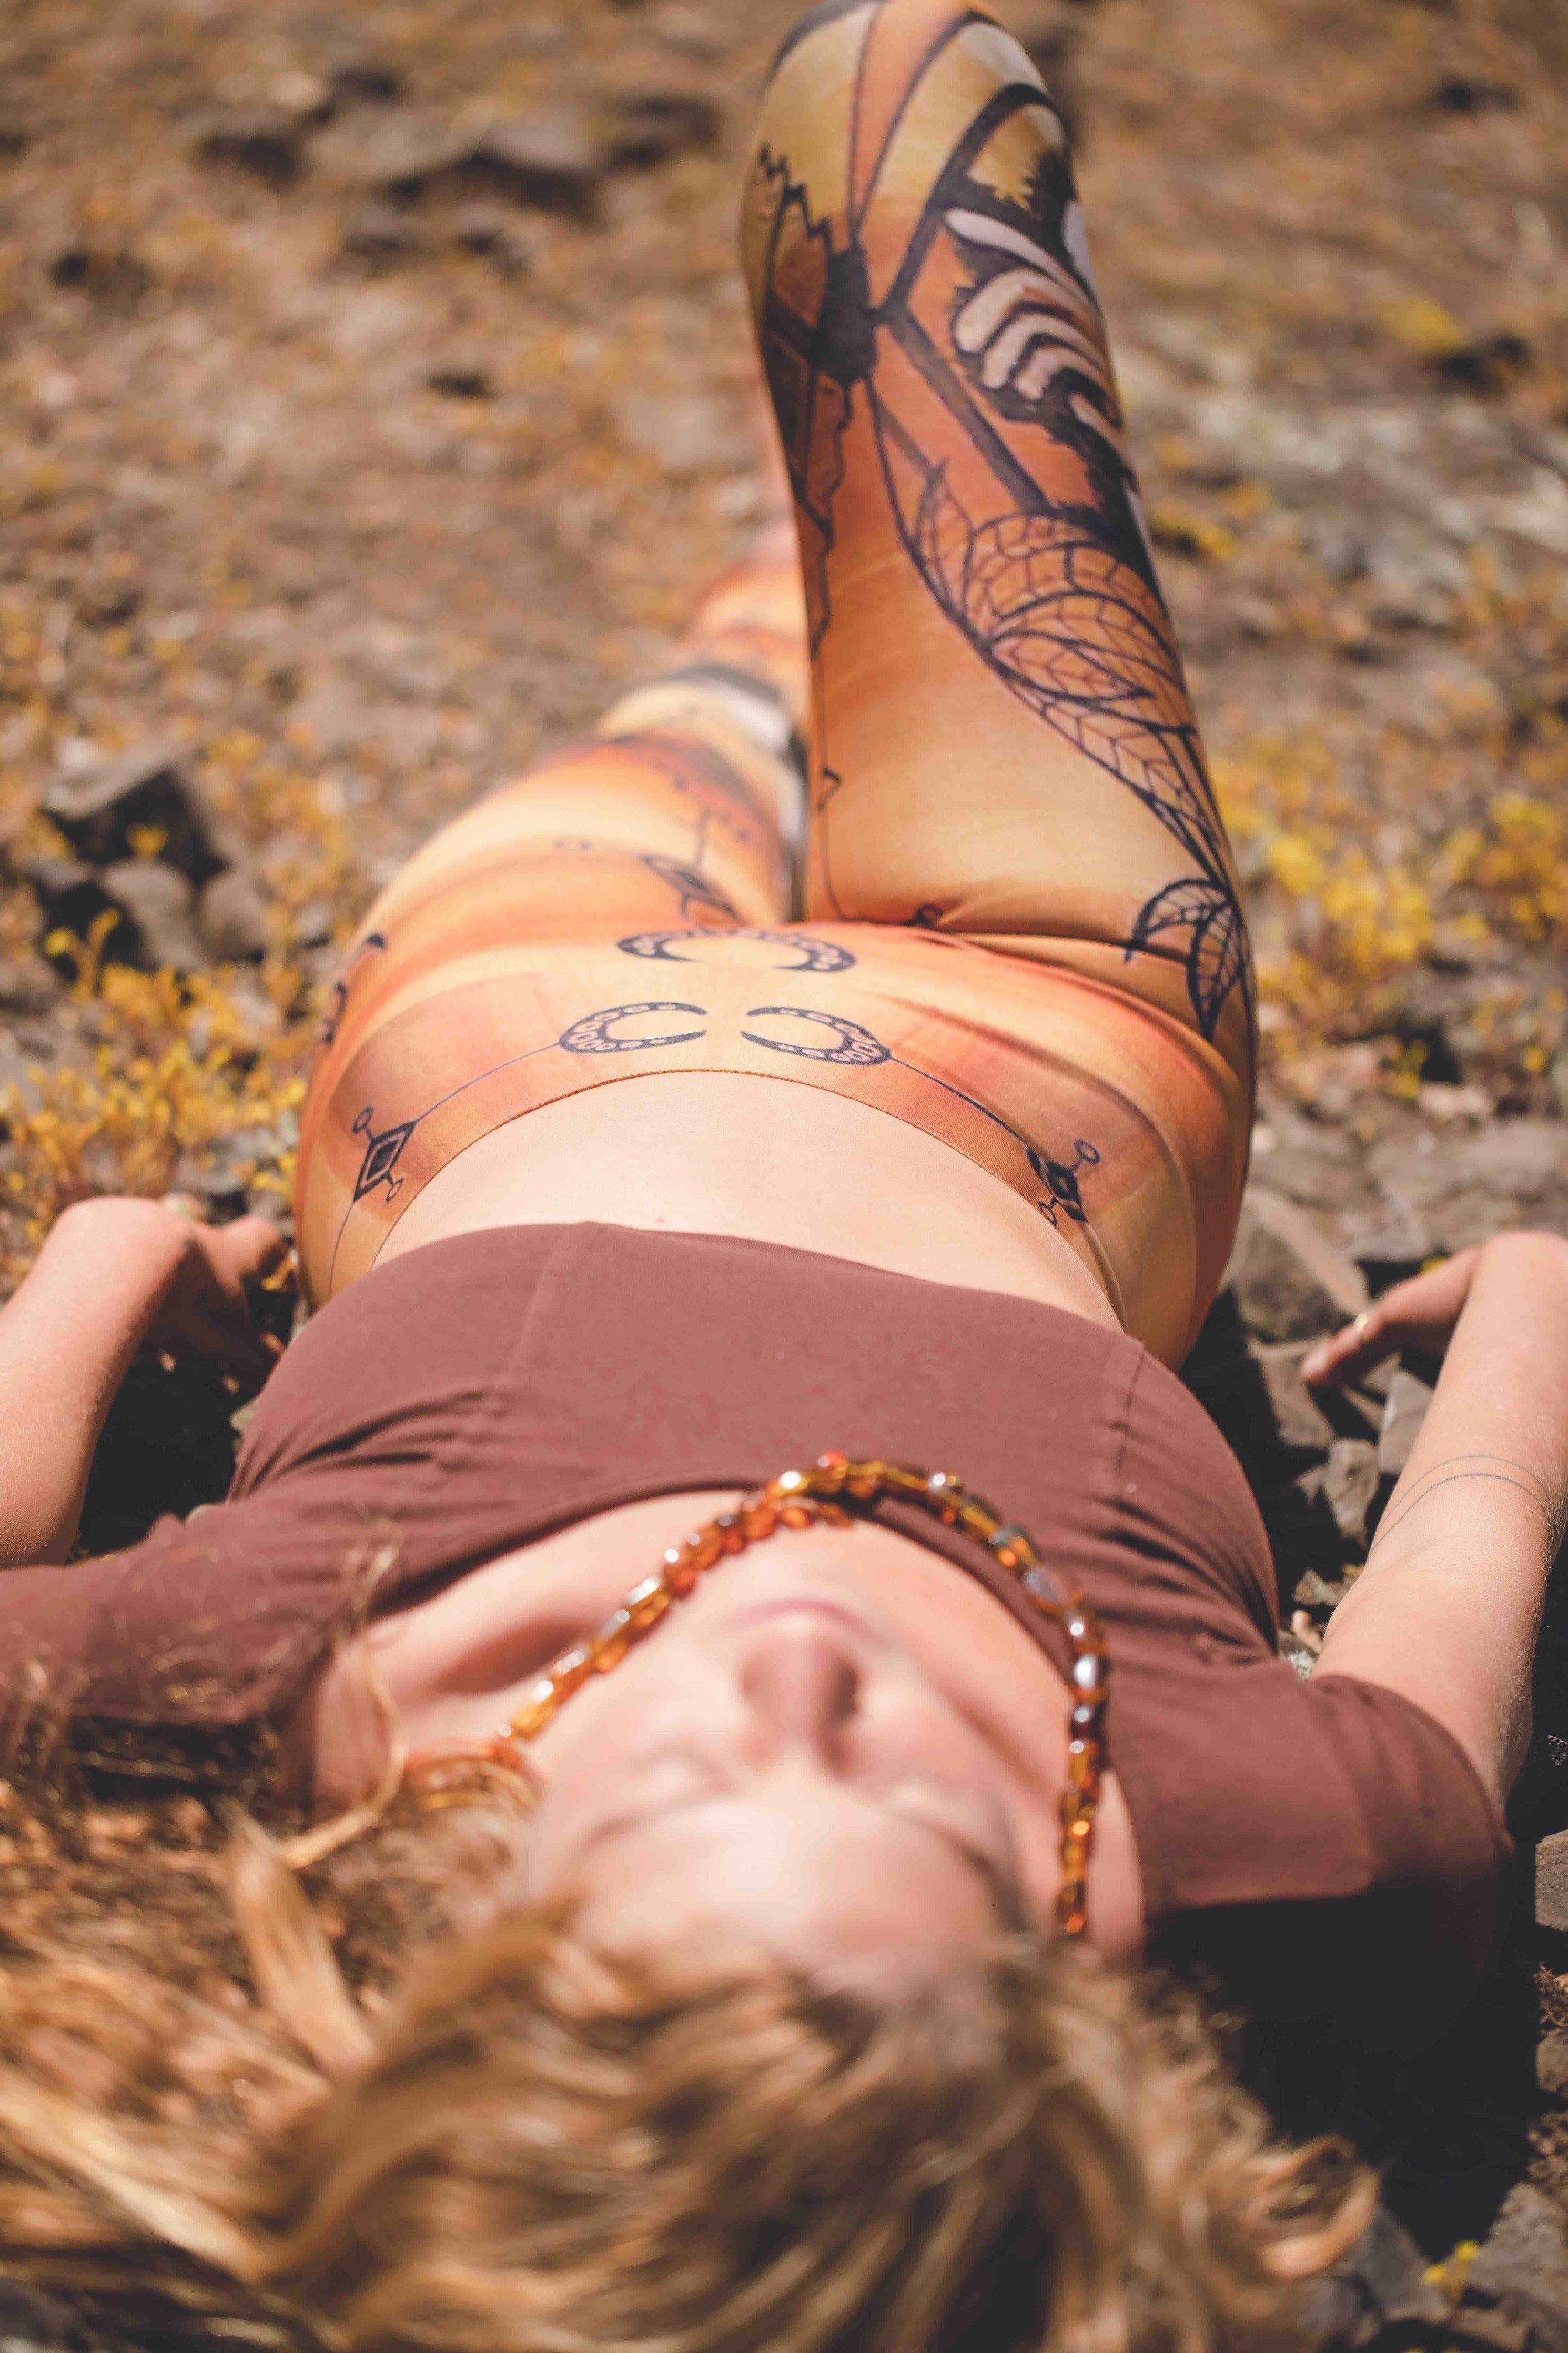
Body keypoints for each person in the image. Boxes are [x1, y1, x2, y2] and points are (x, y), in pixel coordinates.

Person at [0, 0, 1562, 2344]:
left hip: (507, 1022)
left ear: (430, 1931)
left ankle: (772, 589)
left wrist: (116, 1253)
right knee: (900, 94)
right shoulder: (1299, 1844)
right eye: (941, 1823)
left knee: (722, 696)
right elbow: (1474, 1527)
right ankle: (822, 563)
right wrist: (1534, 1299)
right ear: (1078, 2005)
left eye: (670, 1795)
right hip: (1051, 1011)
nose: (811, 1671)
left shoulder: (261, 1703)